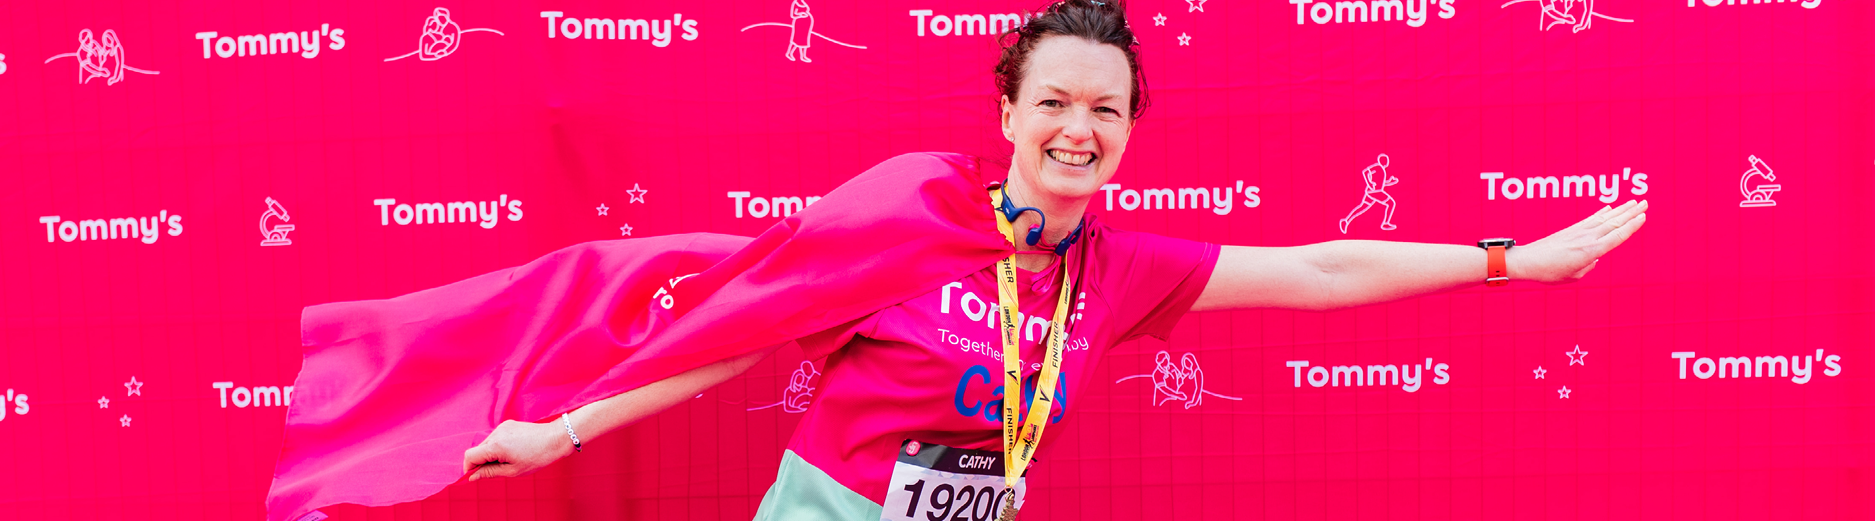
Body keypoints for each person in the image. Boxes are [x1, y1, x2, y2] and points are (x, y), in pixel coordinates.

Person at [446, 1, 1646, 519]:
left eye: (1108, 110)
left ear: (1129, 130)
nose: (1082, 129)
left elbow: (1319, 271)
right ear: (1010, 115)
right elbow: (740, 332)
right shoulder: (908, 222)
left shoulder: (1113, 269)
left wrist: (1512, 261)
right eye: (1057, 103)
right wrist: (566, 431)